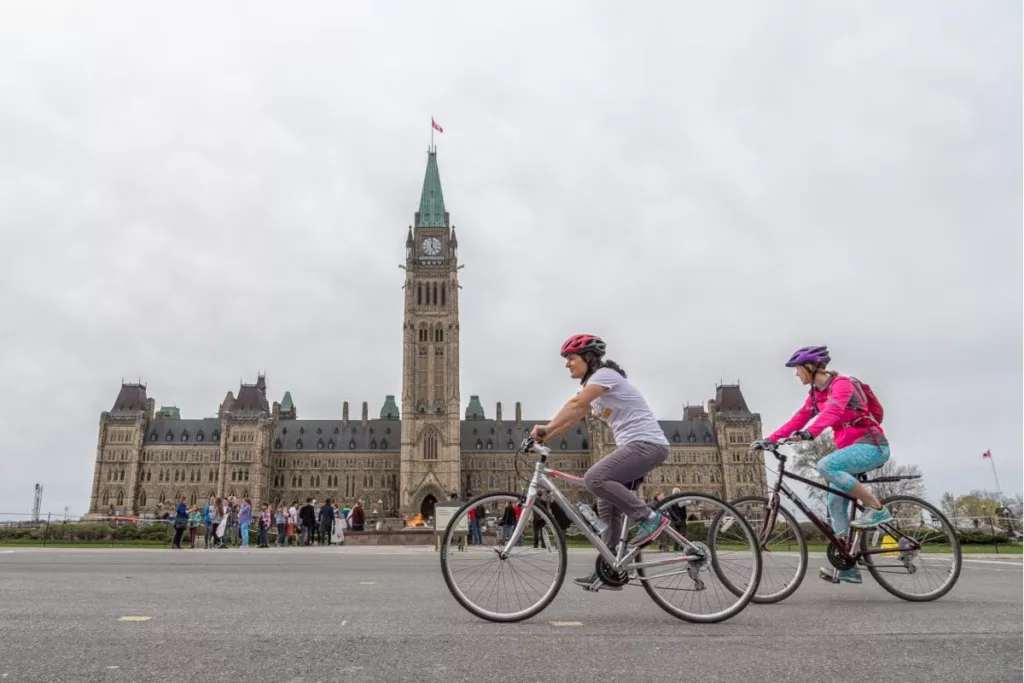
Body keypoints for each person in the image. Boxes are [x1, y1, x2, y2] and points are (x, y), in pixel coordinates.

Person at [530, 333, 670, 591]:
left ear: (588, 358)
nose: (567, 364)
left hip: (646, 444)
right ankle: (610, 567)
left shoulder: (605, 376)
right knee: (606, 504)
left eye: (571, 358)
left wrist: (546, 426)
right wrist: (544, 436)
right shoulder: (593, 390)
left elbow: (576, 403)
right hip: (634, 446)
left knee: (594, 479)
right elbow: (574, 417)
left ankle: (649, 518)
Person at [752, 345, 892, 585]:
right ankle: (847, 562)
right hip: (849, 452)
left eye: (798, 369)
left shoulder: (842, 384)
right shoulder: (816, 396)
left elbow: (835, 412)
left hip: (871, 446)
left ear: (811, 367)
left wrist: (810, 433)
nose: (797, 375)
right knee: (834, 502)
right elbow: (798, 418)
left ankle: (877, 509)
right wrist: (770, 439)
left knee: (826, 465)